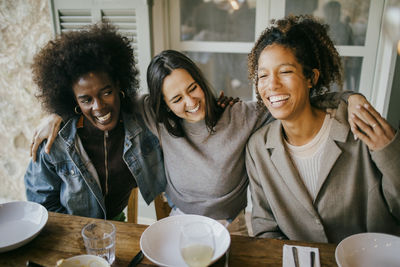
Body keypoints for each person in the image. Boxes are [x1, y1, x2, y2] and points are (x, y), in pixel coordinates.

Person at [31, 49, 368, 235]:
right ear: (162, 105)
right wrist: (56, 115)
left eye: (193, 88)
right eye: (176, 99)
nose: (190, 103)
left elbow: (290, 99)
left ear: (201, 81)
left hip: (235, 224)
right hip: (179, 219)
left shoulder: (243, 114)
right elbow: (100, 105)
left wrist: (349, 97)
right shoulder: (152, 114)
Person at [246, 15, 400, 243]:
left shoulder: (358, 127)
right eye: (263, 75)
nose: (272, 85)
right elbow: (264, 227)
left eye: (285, 71)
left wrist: (390, 152)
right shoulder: (258, 148)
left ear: (311, 78)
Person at [24, 23, 166, 220]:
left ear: (119, 85)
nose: (99, 107)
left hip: (116, 224)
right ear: (74, 101)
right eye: (86, 100)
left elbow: (181, 108)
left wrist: (217, 106)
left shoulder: (141, 121)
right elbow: (40, 203)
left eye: (106, 92)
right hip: (69, 231)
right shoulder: (55, 140)